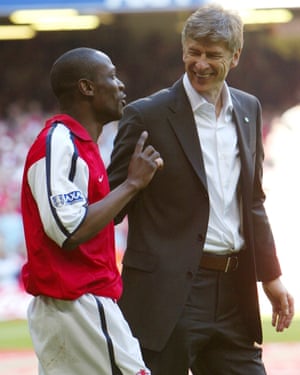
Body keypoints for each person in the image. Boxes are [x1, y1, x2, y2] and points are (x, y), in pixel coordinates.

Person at [107, 5, 294, 375]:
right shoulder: (147, 115)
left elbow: (253, 201)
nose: (201, 64)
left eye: (213, 55)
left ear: (235, 56)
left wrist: (271, 278)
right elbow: (112, 208)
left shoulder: (248, 109)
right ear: (183, 50)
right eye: (194, 52)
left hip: (234, 291)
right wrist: (133, 183)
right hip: (166, 296)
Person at [21, 47, 163, 375]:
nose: (121, 85)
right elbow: (68, 230)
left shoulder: (80, 144)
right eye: (111, 76)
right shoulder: (60, 142)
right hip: (78, 303)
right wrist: (131, 185)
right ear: (86, 87)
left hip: (69, 306)